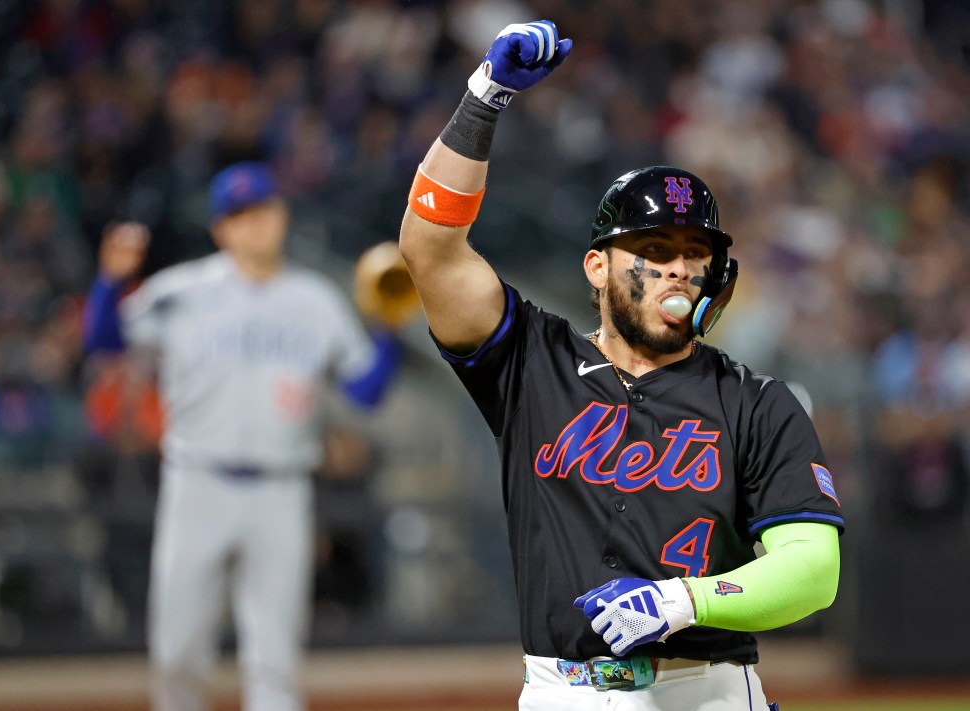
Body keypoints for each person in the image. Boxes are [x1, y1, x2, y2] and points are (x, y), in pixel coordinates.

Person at [398, 20, 844, 711]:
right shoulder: (531, 362)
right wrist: (484, 97)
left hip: (709, 690)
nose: (678, 265)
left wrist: (683, 599)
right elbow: (430, 248)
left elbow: (814, 571)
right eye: (653, 245)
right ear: (597, 267)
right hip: (564, 690)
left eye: (694, 251)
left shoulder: (757, 402)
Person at [81, 161, 403, 711]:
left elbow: (365, 392)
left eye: (264, 210)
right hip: (197, 484)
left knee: (275, 663)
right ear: (220, 229)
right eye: (240, 215)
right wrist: (111, 281)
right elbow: (104, 342)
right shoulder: (181, 290)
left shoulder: (315, 300)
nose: (255, 223)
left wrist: (391, 328)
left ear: (282, 215)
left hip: (282, 490)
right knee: (176, 656)